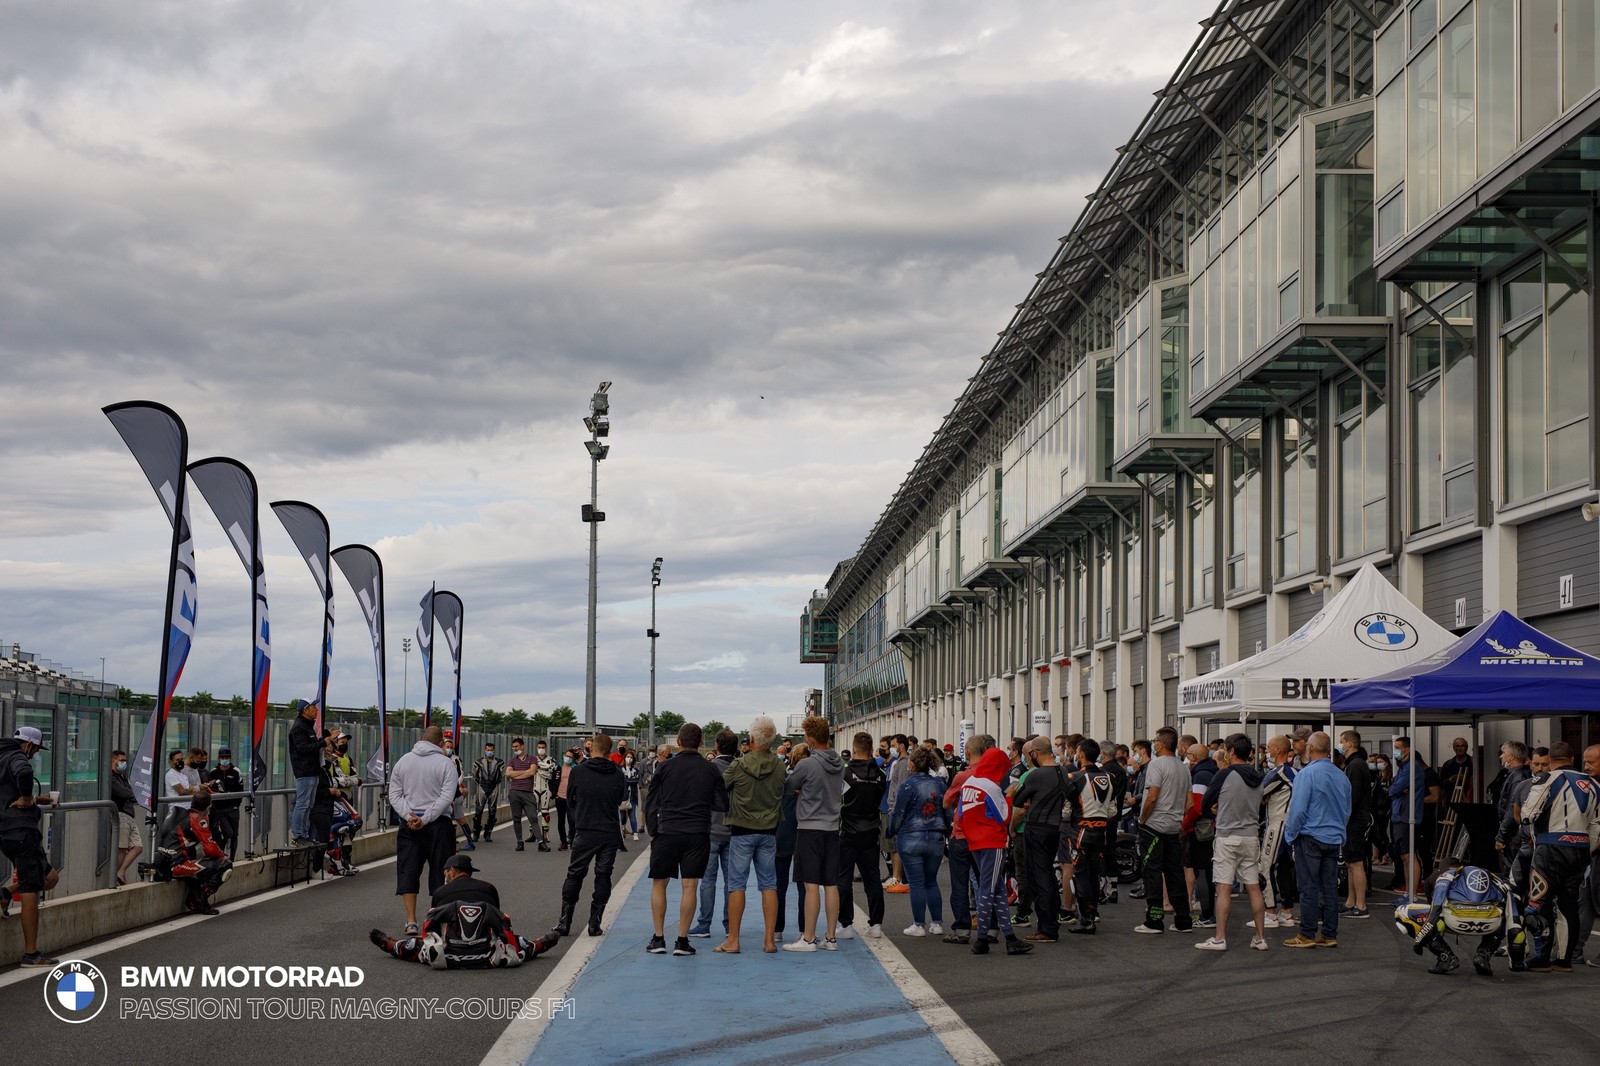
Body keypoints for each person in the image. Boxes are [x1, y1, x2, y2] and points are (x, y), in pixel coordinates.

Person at [371, 853, 560, 968]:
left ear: (452, 871)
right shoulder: (489, 888)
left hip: (449, 954)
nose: (445, 876)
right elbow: (499, 924)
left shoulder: (440, 892)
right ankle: (539, 944)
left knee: (415, 944)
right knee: (519, 942)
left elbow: (432, 929)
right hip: (487, 954)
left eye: (446, 873)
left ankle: (393, 945)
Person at [645, 723, 728, 957]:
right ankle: (682, 940)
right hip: (697, 832)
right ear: (701, 743)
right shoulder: (711, 769)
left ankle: (659, 938)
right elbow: (722, 804)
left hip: (667, 830)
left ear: (678, 743)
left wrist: (653, 831)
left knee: (659, 883)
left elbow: (651, 802)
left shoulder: (664, 767)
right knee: (690, 885)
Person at [1520, 741, 1599, 972]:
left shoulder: (1546, 779)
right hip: (1581, 849)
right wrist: (1587, 846)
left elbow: (1528, 814)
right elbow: (1597, 824)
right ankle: (1564, 960)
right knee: (1568, 904)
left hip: (1550, 848)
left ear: (1550, 761)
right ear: (1572, 759)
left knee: (1540, 901)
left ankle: (1542, 958)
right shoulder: (1594, 784)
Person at [719, 716, 785, 954]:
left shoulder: (738, 765)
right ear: (772, 739)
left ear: (753, 738)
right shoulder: (780, 766)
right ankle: (769, 940)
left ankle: (733, 940)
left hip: (741, 830)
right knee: (769, 885)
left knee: (737, 884)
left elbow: (719, 787)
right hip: (769, 830)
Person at [1195, 734, 1268, 952]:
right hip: (1250, 835)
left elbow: (1206, 801)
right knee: (1254, 888)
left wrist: (1216, 808)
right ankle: (1260, 937)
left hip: (1227, 835)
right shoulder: (1258, 776)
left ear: (1232, 751)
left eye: (1227, 749)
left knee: (1223, 888)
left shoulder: (1225, 774)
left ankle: (1220, 938)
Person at [958, 745, 1031, 956]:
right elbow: (1004, 817)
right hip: (992, 842)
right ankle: (982, 940)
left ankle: (1010, 938)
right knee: (988, 891)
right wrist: (1009, 795)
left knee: (996, 889)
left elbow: (961, 814)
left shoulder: (968, 783)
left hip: (974, 842)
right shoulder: (991, 787)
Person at [1395, 860, 1526, 975]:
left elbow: (1434, 912)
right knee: (1505, 914)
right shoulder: (1495, 878)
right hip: (1490, 923)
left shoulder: (1444, 876)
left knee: (1402, 912)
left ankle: (1445, 957)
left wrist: (1419, 940)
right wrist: (1517, 962)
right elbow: (1515, 924)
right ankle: (1483, 954)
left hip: (1455, 920)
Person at [389, 725, 460, 936]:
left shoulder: (403, 761)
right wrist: (426, 818)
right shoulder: (446, 764)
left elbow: (394, 794)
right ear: (440, 743)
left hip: (409, 823)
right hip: (438, 824)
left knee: (408, 869)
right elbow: (447, 797)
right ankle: (434, 919)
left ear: (420, 738)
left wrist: (409, 816)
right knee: (441, 871)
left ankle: (411, 920)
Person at [1283, 731, 1351, 948]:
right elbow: (1346, 809)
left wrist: (1290, 835)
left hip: (1310, 835)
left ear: (1310, 749)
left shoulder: (1307, 774)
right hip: (1334, 836)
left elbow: (1298, 810)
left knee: (1309, 887)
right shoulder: (1341, 775)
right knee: (1329, 887)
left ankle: (1307, 933)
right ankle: (1329, 934)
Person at [0, 726, 61, 965]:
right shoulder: (17, 756)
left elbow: (6, 796)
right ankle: (31, 953)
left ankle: (5, 894)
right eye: (35, 750)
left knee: (50, 877)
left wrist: (35, 799)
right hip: (21, 832)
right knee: (30, 890)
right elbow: (24, 772)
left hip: (6, 830)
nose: (34, 754)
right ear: (28, 745)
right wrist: (26, 798)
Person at [784, 715, 844, 952]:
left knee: (810, 885)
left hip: (809, 827)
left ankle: (808, 937)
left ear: (809, 739)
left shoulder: (806, 764)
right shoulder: (838, 762)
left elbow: (789, 787)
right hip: (832, 827)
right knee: (831, 884)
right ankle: (830, 937)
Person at [558, 733, 626, 937]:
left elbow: (569, 800)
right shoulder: (617, 773)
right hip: (609, 831)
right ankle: (594, 923)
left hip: (585, 829)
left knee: (575, 873)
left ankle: (564, 922)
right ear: (609, 751)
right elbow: (621, 799)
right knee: (603, 875)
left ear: (591, 748)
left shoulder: (579, 772)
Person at [1006, 737, 1066, 944]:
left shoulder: (1035, 775)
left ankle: (1047, 928)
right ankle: (1051, 921)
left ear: (1035, 753)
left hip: (1037, 828)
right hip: (1055, 828)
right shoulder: (1064, 772)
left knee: (1039, 877)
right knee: (1048, 874)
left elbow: (1017, 800)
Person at [1135, 727, 1191, 935]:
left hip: (1154, 827)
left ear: (1160, 744)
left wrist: (1143, 818)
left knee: (1152, 872)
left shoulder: (1156, 765)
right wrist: (1176, 816)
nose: (1153, 743)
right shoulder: (1183, 767)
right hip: (1173, 827)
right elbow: (1190, 802)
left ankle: (1154, 920)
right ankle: (1183, 920)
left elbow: (1152, 796)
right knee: (1175, 873)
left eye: (1155, 740)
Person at [890, 745, 950, 938]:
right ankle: (937, 922)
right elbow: (947, 811)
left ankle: (919, 924)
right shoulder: (940, 784)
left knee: (916, 882)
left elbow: (898, 814)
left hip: (911, 835)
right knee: (931, 881)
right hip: (935, 835)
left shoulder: (907, 786)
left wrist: (891, 831)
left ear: (913, 764)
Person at [1061, 738, 1119, 935]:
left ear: (1082, 755)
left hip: (1081, 831)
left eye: (1077, 752)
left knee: (1082, 875)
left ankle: (1086, 919)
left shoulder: (1074, 777)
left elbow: (1066, 812)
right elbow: (1112, 810)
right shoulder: (1110, 777)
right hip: (1101, 831)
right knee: (1094, 874)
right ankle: (1092, 913)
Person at [941, 734, 992, 943]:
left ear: (968, 752)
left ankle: (962, 929)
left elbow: (946, 802)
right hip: (986, 836)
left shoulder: (963, 776)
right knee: (988, 883)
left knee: (960, 884)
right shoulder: (992, 775)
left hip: (962, 834)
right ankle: (991, 927)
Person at [689, 730, 739, 939]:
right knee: (732, 882)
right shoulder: (741, 768)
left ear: (716, 746)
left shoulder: (708, 769)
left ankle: (704, 923)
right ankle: (730, 925)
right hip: (734, 830)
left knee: (708, 880)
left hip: (710, 829)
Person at [837, 730, 887, 940]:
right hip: (871, 830)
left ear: (854, 748)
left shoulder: (844, 772)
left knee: (843, 879)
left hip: (847, 830)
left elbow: (838, 800)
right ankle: (876, 924)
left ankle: (845, 924)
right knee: (872, 878)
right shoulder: (880, 774)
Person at [152, 790, 234, 915]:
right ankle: (198, 900)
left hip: (165, 862)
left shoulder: (177, 813)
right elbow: (210, 849)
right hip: (176, 865)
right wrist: (222, 855)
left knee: (206, 864)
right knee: (224, 864)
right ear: (208, 807)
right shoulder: (197, 819)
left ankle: (195, 896)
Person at [1260, 737, 1297, 927]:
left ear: (1276, 750)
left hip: (1278, 823)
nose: (1266, 752)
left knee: (1265, 866)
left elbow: (1258, 793)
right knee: (1283, 868)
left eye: (1268, 748)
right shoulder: (1294, 771)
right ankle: (1287, 911)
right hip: (1289, 823)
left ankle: (1270, 912)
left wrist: (1264, 798)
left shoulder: (1280, 772)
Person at [1182, 742, 1219, 929]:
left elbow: (1195, 806)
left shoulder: (1200, 775)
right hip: (1211, 826)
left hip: (1201, 829)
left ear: (1194, 757)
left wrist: (1185, 825)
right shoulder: (1212, 771)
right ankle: (1208, 912)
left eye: (1187, 754)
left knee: (1202, 871)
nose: (1185, 757)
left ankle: (1206, 914)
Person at [1390, 736, 1431, 897]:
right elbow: (1396, 787)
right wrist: (1398, 789)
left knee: (1409, 855)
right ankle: (1408, 892)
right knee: (1404, 856)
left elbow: (1394, 788)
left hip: (1407, 815)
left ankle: (1411, 893)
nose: (1395, 751)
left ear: (1406, 749)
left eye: (1398, 748)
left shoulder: (1411, 767)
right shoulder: (1404, 766)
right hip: (1400, 814)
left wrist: (1397, 789)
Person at [774, 744, 808, 939]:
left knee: (779, 884)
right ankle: (804, 929)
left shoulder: (785, 781)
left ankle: (777, 929)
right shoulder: (812, 782)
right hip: (804, 832)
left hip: (783, 833)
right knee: (803, 884)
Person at [1339, 730, 1373, 919]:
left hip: (1355, 820)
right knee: (1350, 863)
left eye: (1342, 742)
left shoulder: (1356, 765)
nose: (1340, 745)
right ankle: (1351, 901)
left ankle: (1360, 905)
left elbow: (1353, 796)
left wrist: (1343, 814)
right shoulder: (1354, 764)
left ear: (1350, 744)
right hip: (1353, 819)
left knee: (1356, 863)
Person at [287, 698, 323, 846]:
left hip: (313, 771)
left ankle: (305, 834)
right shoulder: (299, 728)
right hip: (304, 771)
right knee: (302, 804)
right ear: (305, 710)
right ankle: (297, 835)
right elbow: (303, 749)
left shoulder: (308, 727)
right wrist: (322, 742)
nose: (317, 709)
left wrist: (323, 740)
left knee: (309, 804)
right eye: (314, 707)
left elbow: (312, 745)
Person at [505, 738, 549, 852]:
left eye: (517, 746)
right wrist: (524, 773)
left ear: (522, 746)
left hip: (528, 793)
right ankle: (519, 842)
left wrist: (516, 775)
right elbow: (508, 773)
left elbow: (532, 772)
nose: (515, 748)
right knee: (516, 818)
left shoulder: (532, 758)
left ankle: (540, 842)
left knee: (533, 817)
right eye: (513, 747)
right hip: (514, 792)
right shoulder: (512, 760)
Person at [110, 748, 144, 886]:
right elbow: (125, 793)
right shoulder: (110, 778)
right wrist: (134, 795)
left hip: (129, 816)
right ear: (113, 761)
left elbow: (131, 792)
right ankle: (115, 877)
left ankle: (120, 872)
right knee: (122, 848)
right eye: (121, 761)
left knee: (137, 846)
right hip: (120, 814)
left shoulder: (121, 777)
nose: (124, 763)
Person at [882, 734, 911, 892]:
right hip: (892, 807)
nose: (892, 748)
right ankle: (898, 877)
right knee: (894, 845)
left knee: (899, 845)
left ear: (901, 746)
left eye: (893, 745)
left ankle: (902, 879)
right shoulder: (898, 763)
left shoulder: (903, 764)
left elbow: (902, 788)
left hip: (898, 810)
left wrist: (896, 808)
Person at [207, 746, 245, 861]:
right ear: (218, 758)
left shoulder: (236, 771)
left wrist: (236, 805)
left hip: (232, 808)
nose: (225, 759)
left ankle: (232, 858)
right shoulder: (213, 772)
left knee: (234, 834)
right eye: (223, 757)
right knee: (225, 833)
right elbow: (210, 788)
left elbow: (240, 789)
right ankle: (220, 853)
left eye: (227, 757)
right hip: (219, 809)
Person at [471, 741, 505, 844]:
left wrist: (496, 783)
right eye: (487, 750)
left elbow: (501, 775)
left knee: (492, 811)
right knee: (478, 811)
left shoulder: (500, 762)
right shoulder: (479, 762)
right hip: (481, 787)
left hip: (494, 788)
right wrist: (480, 783)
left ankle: (488, 832)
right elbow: (474, 774)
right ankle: (476, 833)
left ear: (494, 750)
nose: (489, 751)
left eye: (491, 750)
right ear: (485, 750)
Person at [620, 750, 642, 840]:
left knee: (632, 814)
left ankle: (635, 833)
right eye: (627, 757)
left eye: (631, 757)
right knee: (621, 815)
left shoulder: (635, 770)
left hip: (632, 795)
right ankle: (621, 832)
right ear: (624, 758)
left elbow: (636, 781)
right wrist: (629, 780)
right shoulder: (620, 769)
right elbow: (621, 781)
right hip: (622, 795)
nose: (629, 759)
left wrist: (628, 780)